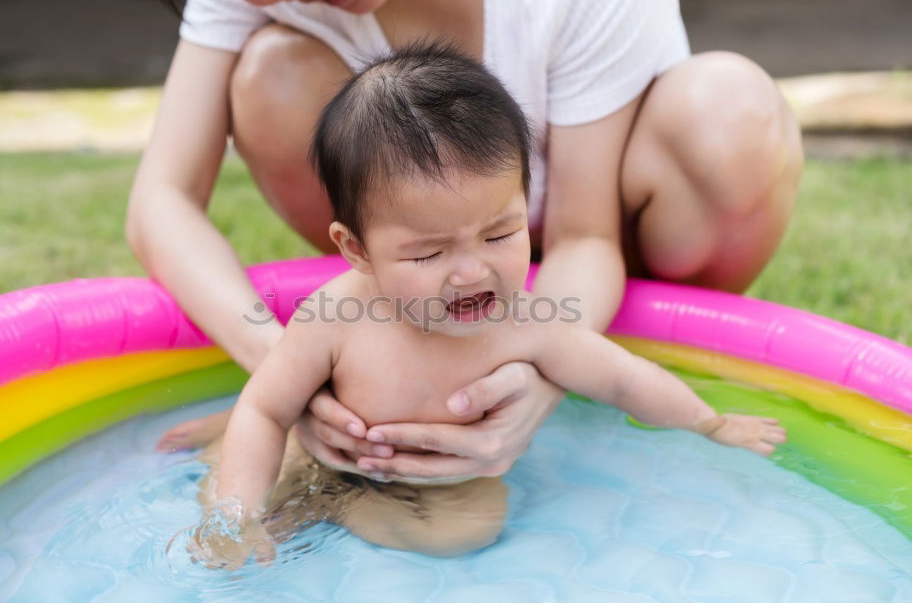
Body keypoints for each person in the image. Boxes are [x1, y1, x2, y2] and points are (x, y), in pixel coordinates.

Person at [128, 0, 802, 484]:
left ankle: (588, 338)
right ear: (352, 248)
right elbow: (160, 202)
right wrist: (285, 373)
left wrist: (541, 367)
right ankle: (386, 357)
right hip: (414, 294)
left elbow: (584, 238)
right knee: (270, 71)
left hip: (604, 251)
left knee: (729, 109)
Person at [187, 44, 786, 568]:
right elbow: (267, 407)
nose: (471, 271)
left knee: (466, 530)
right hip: (323, 442)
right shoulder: (336, 316)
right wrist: (235, 514)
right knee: (235, 469)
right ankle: (260, 500)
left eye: (500, 235)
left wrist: (709, 422)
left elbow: (626, 381)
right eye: (428, 253)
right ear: (357, 248)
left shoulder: (528, 323)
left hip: (441, 484)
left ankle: (338, 506)